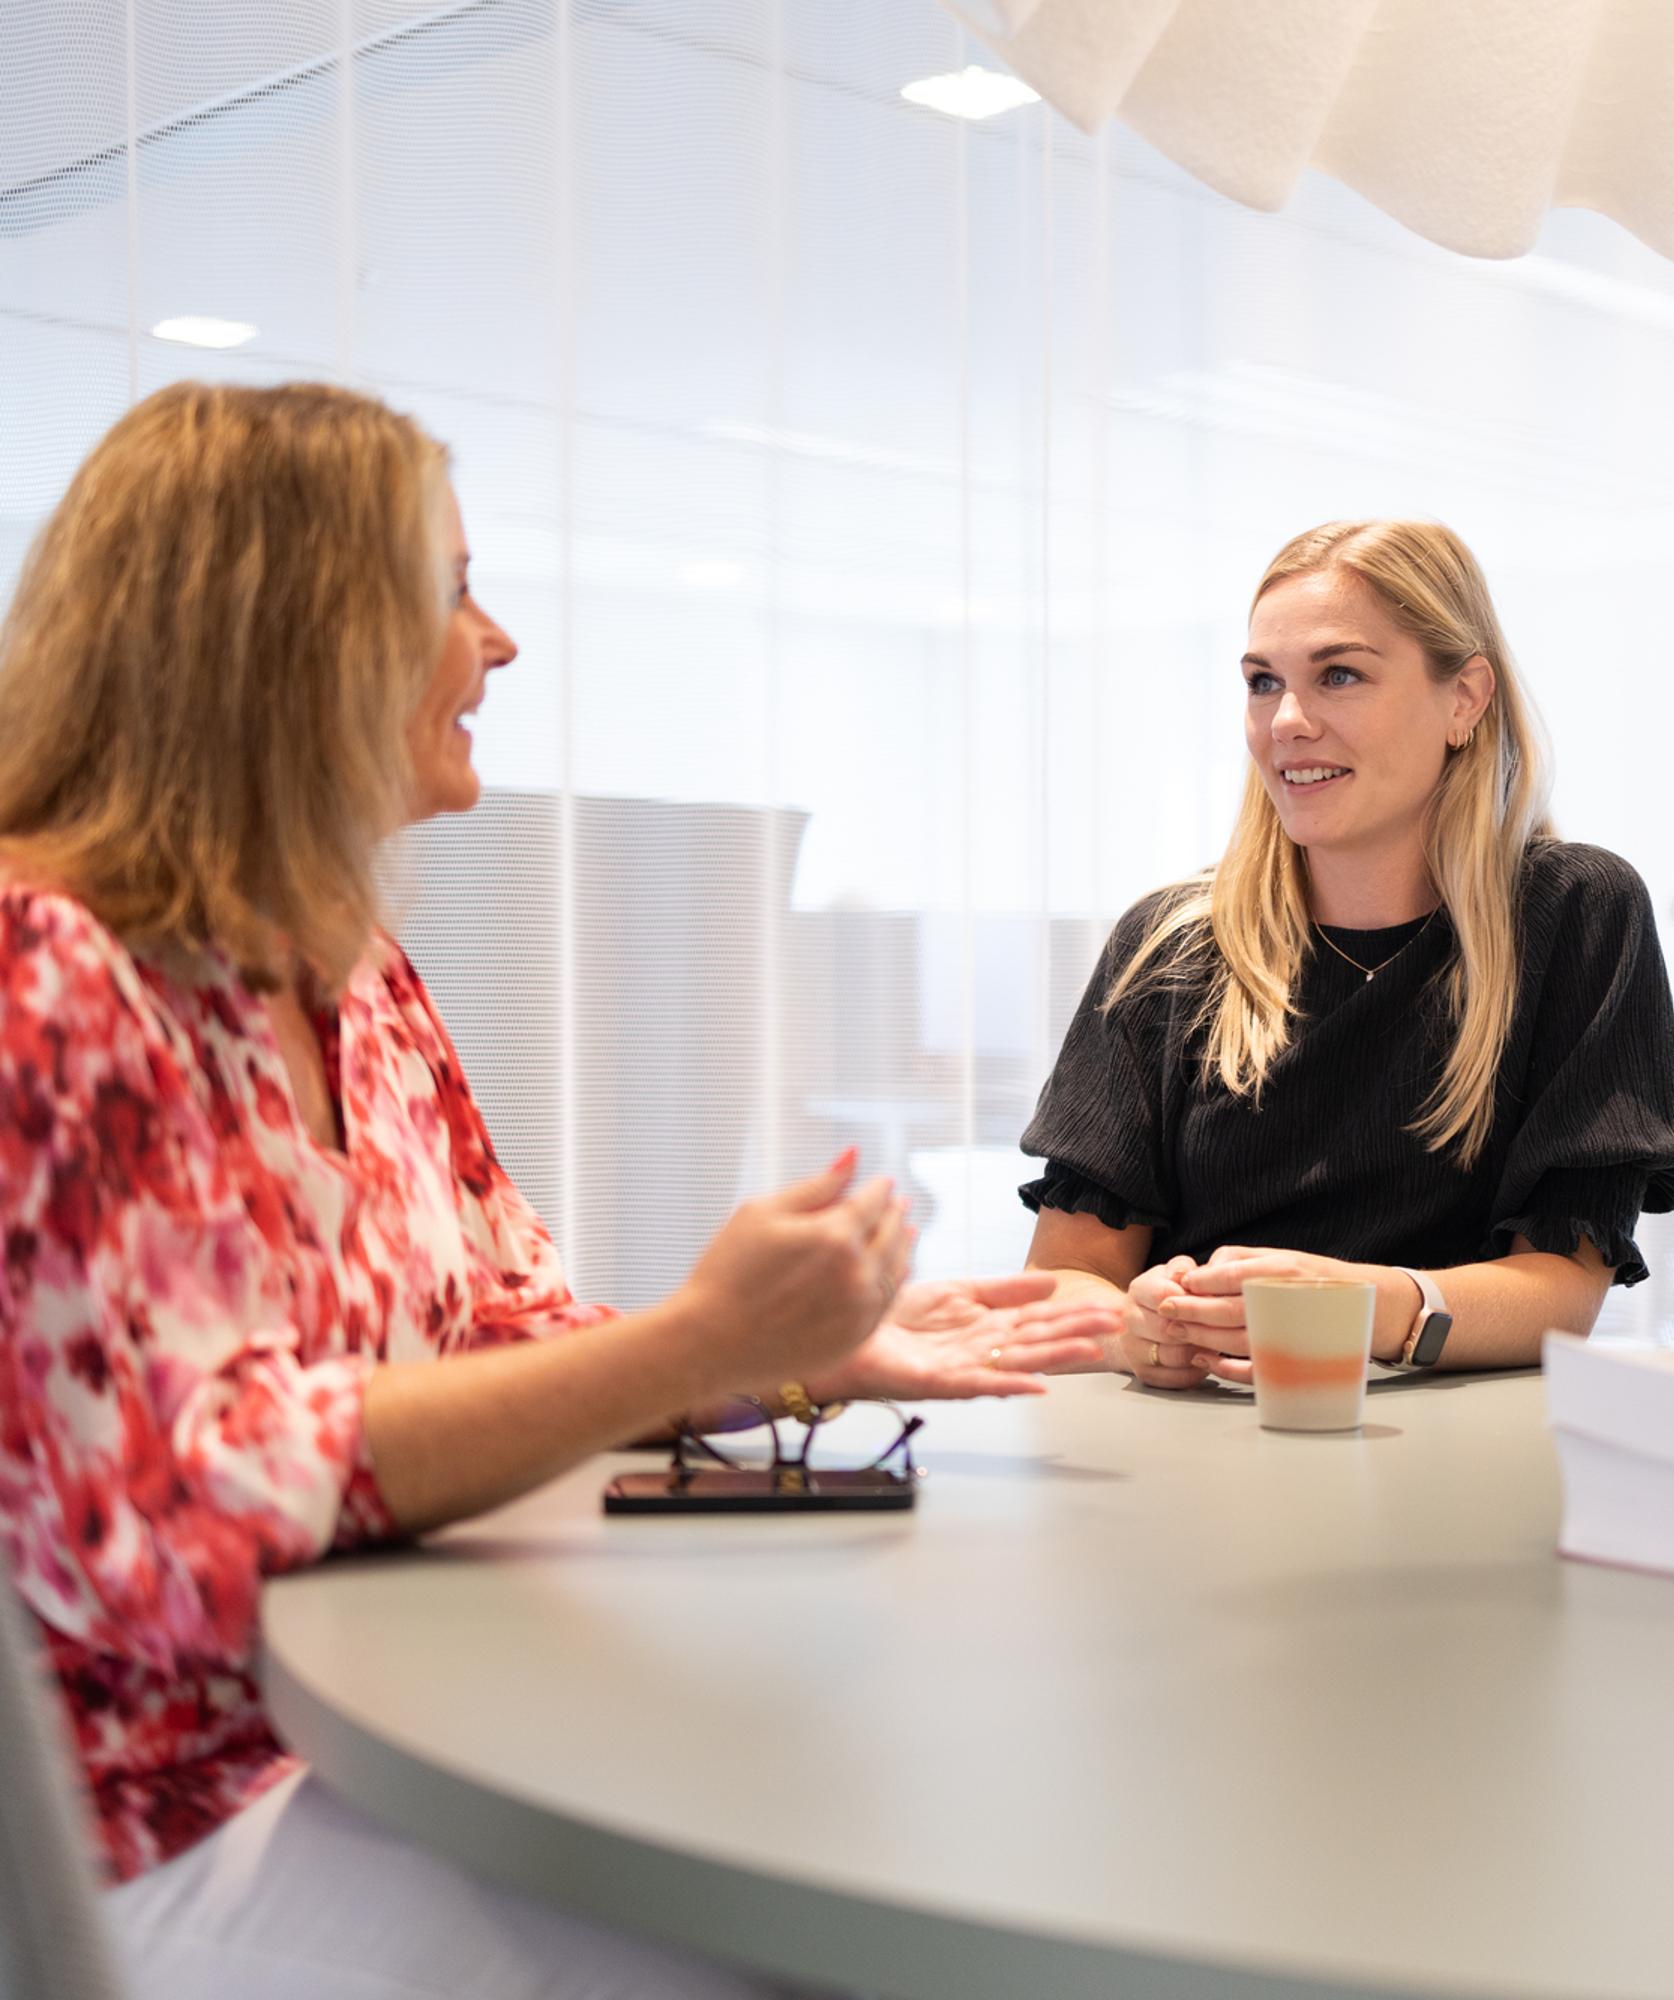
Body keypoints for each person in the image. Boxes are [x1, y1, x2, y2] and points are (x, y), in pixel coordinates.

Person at [0, 381, 1116, 1998]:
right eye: (452, 590)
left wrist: (783, 1359)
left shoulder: (355, 974)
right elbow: (185, 1516)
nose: (501, 642)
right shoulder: (47, 969)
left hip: (377, 1737)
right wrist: (694, 1345)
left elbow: (500, 1323)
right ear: (295, 635)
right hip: (148, 1824)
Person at [1019, 519, 1674, 1385]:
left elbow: (1561, 1292)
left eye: (1339, 675)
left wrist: (1363, 1306)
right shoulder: (1168, 945)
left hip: (1455, 1449)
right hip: (1200, 1432)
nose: (1286, 721)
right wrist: (1139, 1329)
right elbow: (1064, 1280)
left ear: (1464, 699)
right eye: (1263, 683)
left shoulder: (1578, 915)